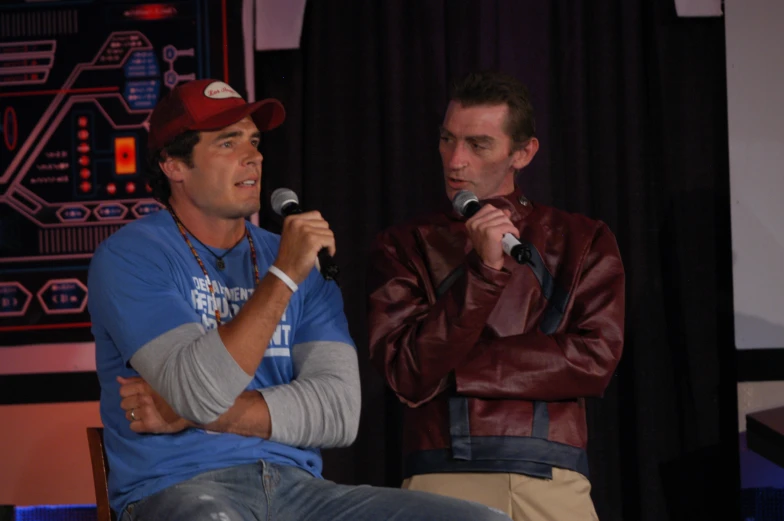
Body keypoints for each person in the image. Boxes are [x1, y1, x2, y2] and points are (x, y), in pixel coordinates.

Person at [87, 78, 512, 521]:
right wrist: (285, 274)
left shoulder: (296, 253)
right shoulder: (133, 256)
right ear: (173, 163)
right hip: (182, 489)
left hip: (300, 492)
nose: (253, 156)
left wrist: (191, 413)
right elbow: (199, 391)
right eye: (228, 143)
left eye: (253, 140)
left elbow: (340, 413)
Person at [367, 71, 625, 521]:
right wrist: (484, 273)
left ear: (523, 153)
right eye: (447, 139)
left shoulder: (582, 239)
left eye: (478, 144)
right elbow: (405, 371)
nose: (455, 160)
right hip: (441, 473)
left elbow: (596, 357)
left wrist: (455, 371)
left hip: (550, 474)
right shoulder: (404, 244)